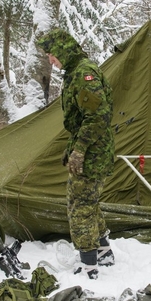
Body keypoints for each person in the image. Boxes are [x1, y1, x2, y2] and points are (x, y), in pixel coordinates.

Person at [36, 28, 115, 279]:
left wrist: (79, 150)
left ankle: (88, 264)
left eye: (52, 54)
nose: (51, 60)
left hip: (93, 152)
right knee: (89, 201)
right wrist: (72, 147)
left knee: (78, 205)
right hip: (94, 149)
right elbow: (83, 118)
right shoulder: (75, 71)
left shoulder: (83, 74)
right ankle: (103, 250)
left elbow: (98, 116)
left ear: (63, 50)